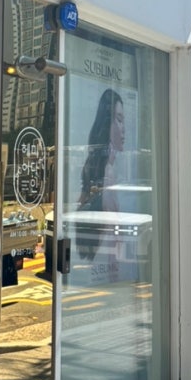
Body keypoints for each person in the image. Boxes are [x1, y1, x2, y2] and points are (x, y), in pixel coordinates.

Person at [77, 89, 124, 259]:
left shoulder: (104, 167)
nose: (124, 129)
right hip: (102, 255)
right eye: (119, 120)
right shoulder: (107, 171)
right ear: (107, 124)